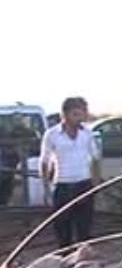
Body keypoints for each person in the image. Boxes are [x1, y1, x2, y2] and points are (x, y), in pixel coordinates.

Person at [39, 97, 102, 250]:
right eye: (75, 114)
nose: (79, 118)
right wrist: (46, 188)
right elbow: (44, 161)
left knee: (84, 230)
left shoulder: (87, 134)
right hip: (62, 185)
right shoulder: (52, 134)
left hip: (84, 184)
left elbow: (95, 158)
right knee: (63, 231)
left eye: (81, 114)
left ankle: (82, 264)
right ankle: (65, 262)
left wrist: (95, 184)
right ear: (65, 114)